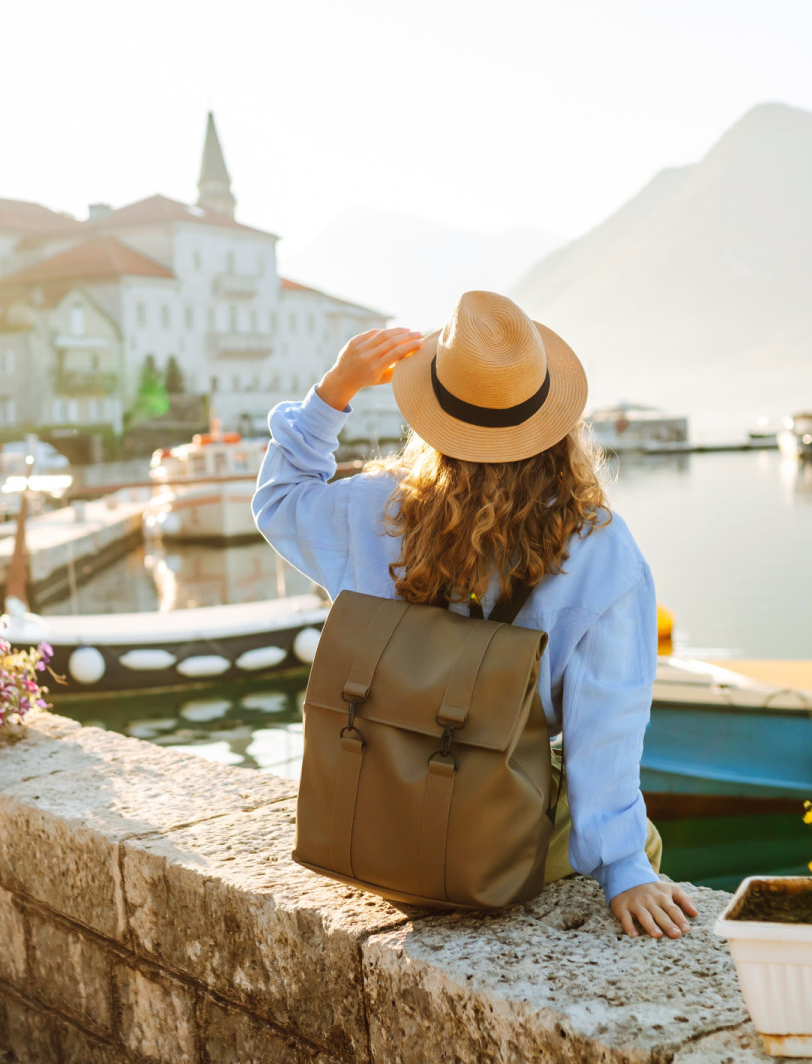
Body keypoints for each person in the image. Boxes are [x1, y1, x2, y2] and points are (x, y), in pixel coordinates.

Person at [253, 290, 699, 940]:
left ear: (433, 417)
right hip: (484, 851)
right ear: (552, 422)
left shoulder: (370, 508)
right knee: (641, 840)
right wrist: (626, 865)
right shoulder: (599, 549)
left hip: (370, 824)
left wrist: (334, 391)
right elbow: (605, 726)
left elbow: (278, 500)